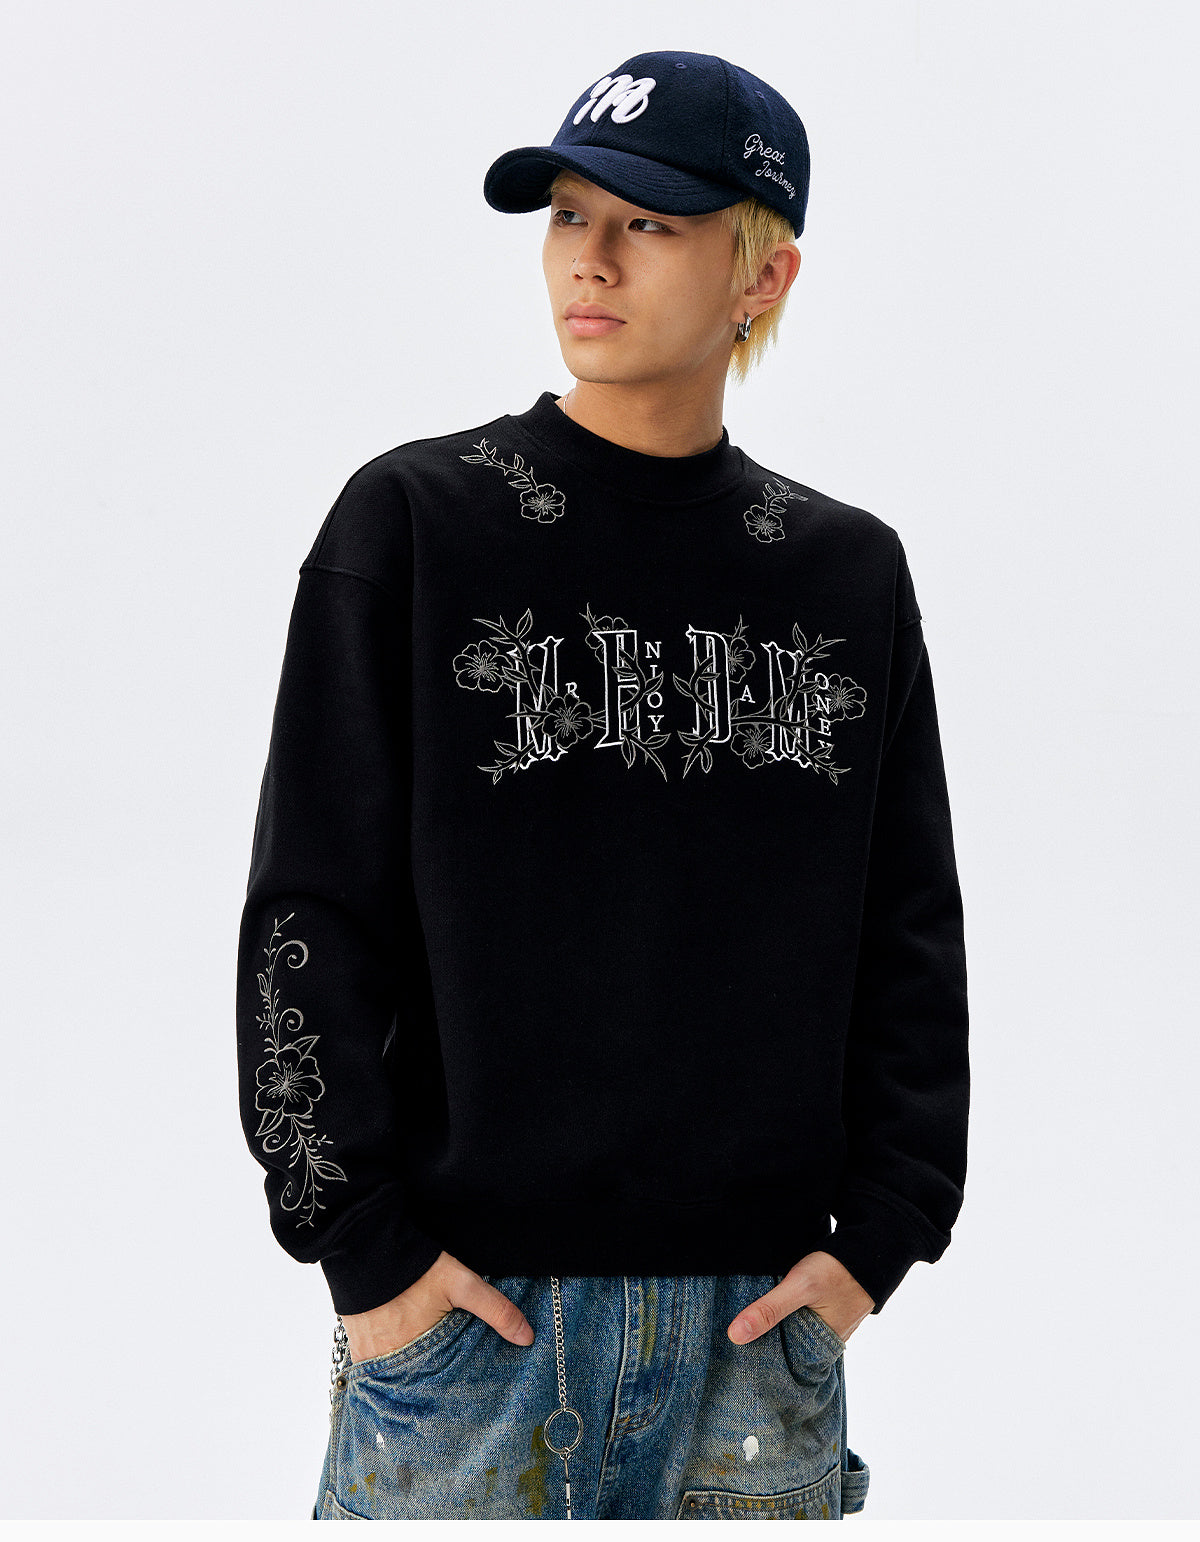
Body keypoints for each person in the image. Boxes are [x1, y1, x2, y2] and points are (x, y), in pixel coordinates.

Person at [235, 48, 970, 1522]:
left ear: (762, 275)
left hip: (756, 1347)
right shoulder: (417, 525)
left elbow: (910, 931)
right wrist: (362, 1250)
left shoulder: (843, 573)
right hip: (467, 1338)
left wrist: (880, 1240)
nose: (592, 257)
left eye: (651, 222)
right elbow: (308, 913)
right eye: (571, 215)